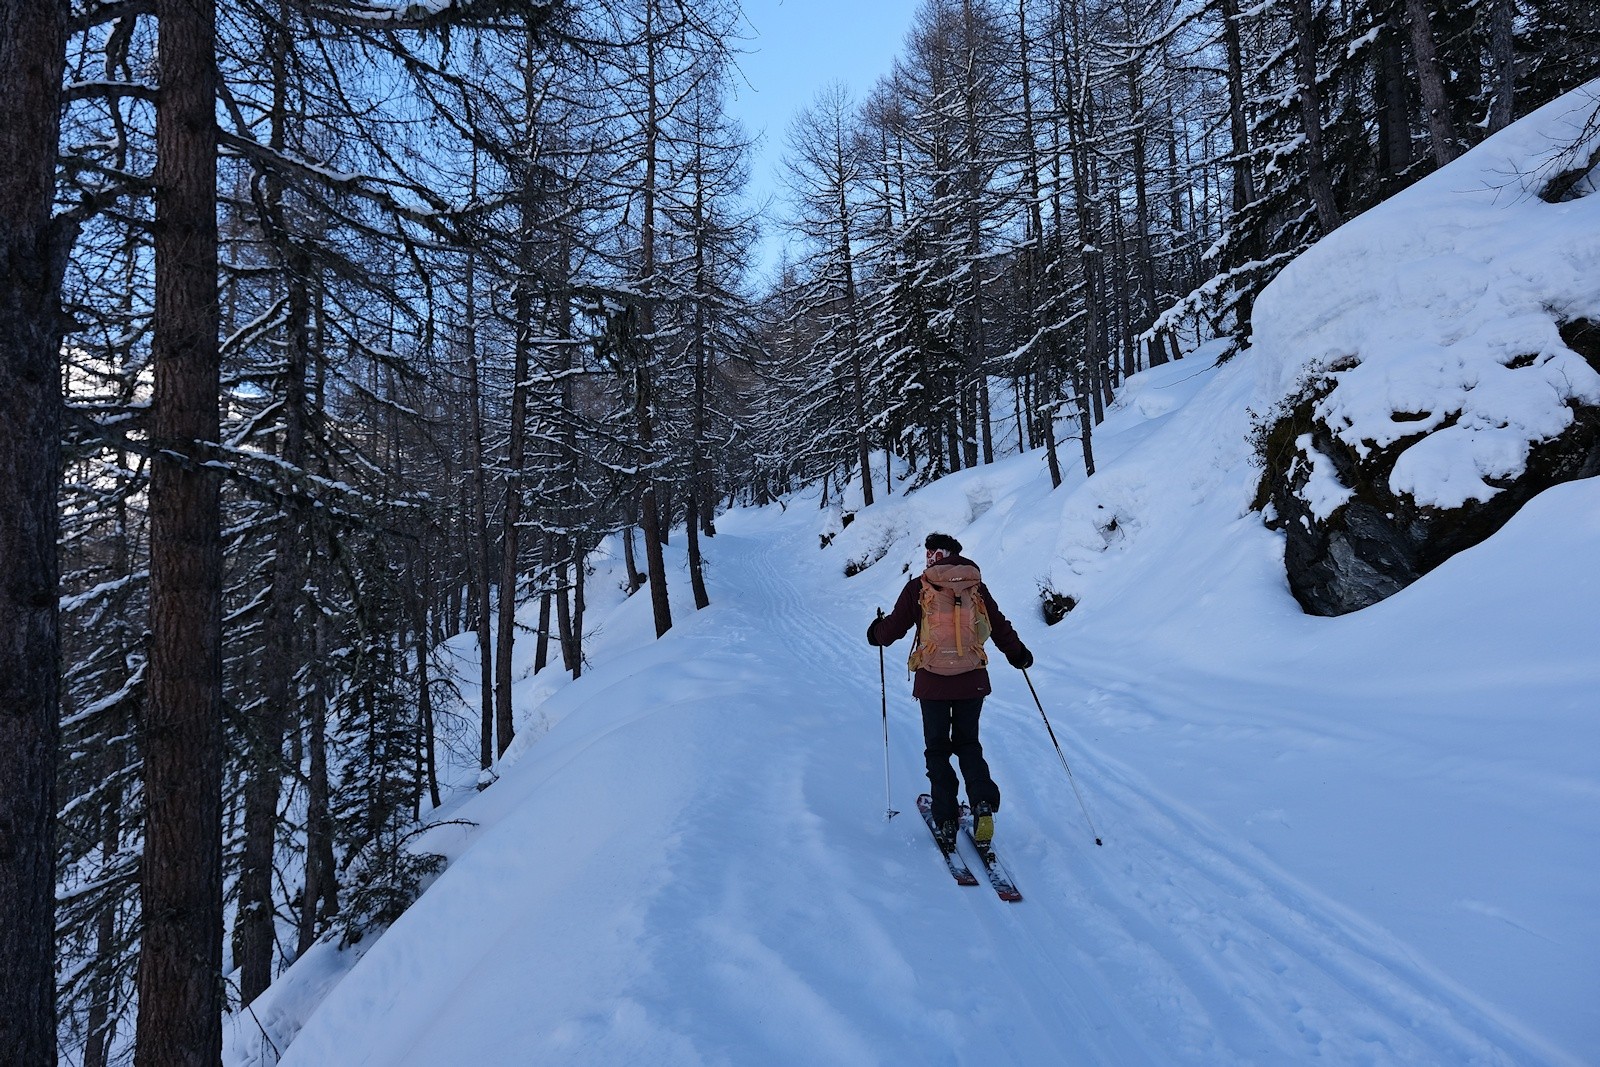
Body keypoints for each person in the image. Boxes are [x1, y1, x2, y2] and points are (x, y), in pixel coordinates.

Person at [868, 532, 1032, 849]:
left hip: (933, 682)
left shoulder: (920, 586)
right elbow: (997, 625)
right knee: (969, 743)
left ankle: (945, 820)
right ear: (956, 554)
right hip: (973, 680)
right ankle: (982, 803)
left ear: (933, 555)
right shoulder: (975, 586)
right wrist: (1018, 654)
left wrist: (875, 632)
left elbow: (891, 631)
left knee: (938, 749)